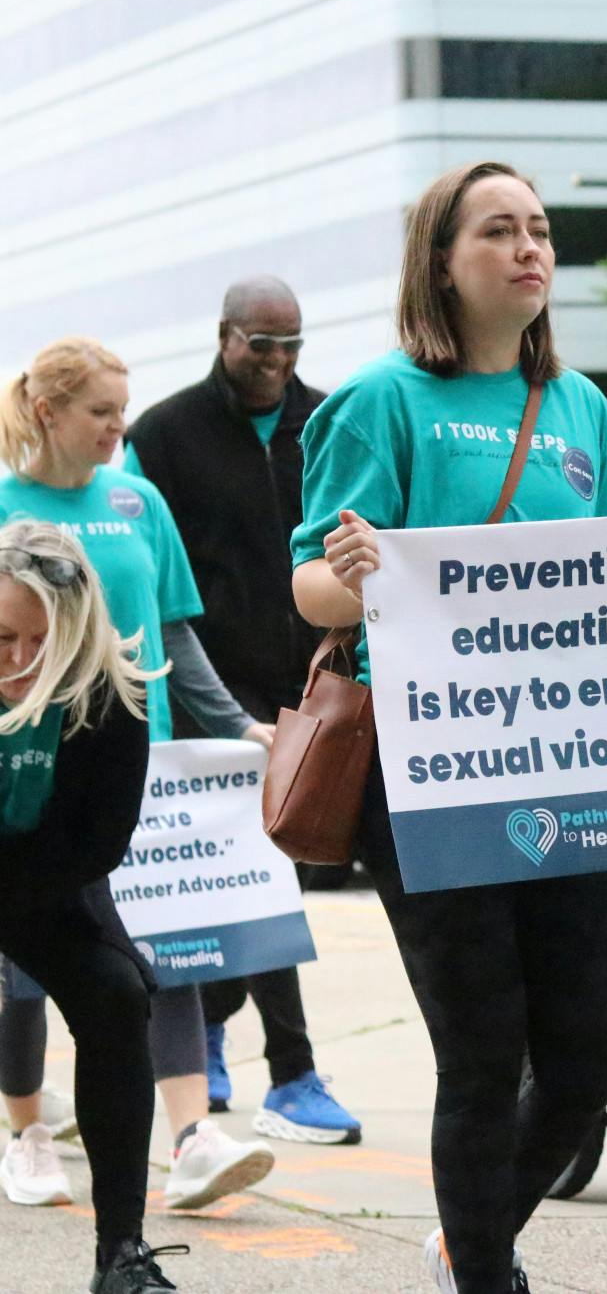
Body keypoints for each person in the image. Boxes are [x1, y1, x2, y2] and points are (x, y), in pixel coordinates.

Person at [289, 160, 607, 1294]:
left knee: (587, 1054)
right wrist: (350, 575)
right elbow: (309, 586)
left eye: (540, 230)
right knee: (481, 1048)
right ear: (441, 264)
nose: (529, 248)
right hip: (431, 773)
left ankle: (477, 1233)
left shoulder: (582, 409)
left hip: (567, 771)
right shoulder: (381, 400)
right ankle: (489, 1276)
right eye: (498, 231)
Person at [0, 337, 277, 1213]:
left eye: (124, 409)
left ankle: (193, 1134)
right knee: (33, 947)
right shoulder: (6, 503)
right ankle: (27, 1129)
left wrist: (237, 723)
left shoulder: (139, 500)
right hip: (31, 765)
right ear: (48, 413)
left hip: (130, 758)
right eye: (101, 412)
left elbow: (176, 634)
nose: (121, 426)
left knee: (160, 939)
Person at [123, 275, 361, 1147]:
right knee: (253, 879)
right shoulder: (163, 434)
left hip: (313, 685)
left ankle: (222, 1035)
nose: (277, 363)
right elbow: (155, 586)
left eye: (292, 345)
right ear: (224, 336)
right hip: (205, 696)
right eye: (261, 345)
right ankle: (288, 1070)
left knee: (270, 875)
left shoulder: (331, 420)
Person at [0, 518, 184, 1293]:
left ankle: (122, 1254)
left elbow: (94, 846)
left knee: (116, 995)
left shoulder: (116, 692)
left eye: (39, 640)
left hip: (44, 877)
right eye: (2, 636)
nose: (17, 659)